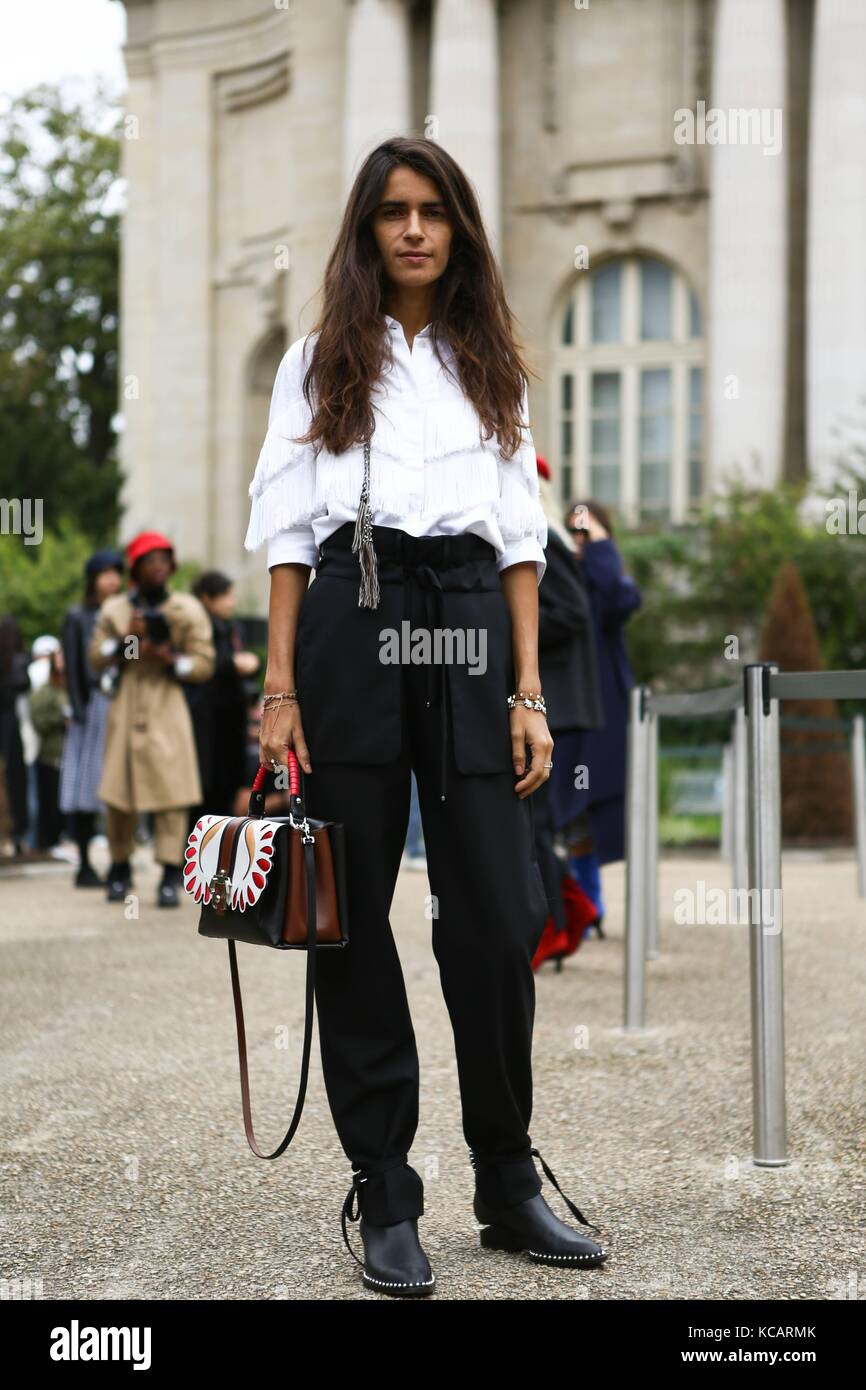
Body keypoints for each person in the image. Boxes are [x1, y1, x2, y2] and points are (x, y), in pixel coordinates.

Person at [247, 135, 608, 1295]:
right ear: (365, 231)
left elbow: (518, 544)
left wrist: (526, 693)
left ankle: (503, 1180)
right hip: (352, 621)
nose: (412, 229)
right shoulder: (315, 362)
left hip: (461, 625)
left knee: (498, 916)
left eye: (433, 211)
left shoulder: (487, 362)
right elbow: (288, 539)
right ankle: (387, 1191)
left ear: (457, 229)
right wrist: (280, 687)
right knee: (346, 919)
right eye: (392, 212)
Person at [87, 532, 216, 909]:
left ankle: (169, 873)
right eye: (148, 560)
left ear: (172, 566)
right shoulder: (115, 610)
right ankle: (119, 866)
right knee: (118, 791)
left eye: (163, 559)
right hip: (128, 701)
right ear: (136, 568)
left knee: (172, 791)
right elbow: (96, 656)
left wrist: (171, 659)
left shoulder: (188, 609)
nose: (157, 566)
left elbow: (205, 663)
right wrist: (129, 641)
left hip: (166, 701)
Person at [550, 500, 642, 929]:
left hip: (605, 714)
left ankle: (587, 901)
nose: (581, 540)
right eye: (576, 532)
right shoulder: (562, 577)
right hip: (569, 711)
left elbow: (622, 600)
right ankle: (576, 903)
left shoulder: (606, 582)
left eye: (589, 532)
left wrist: (600, 542)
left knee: (596, 805)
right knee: (566, 806)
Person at [530, 456, 604, 971]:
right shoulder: (546, 536)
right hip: (555, 705)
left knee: (537, 824)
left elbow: (572, 614)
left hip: (556, 707)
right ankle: (567, 911)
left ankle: (561, 918)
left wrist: (510, 625)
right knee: (538, 823)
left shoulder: (543, 538)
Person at [58, 549, 125, 887]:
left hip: (123, 704)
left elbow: (132, 657)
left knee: (120, 786)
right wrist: (79, 710)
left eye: (116, 572)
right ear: (93, 578)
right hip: (92, 705)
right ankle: (84, 863)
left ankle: (119, 863)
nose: (112, 579)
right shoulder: (78, 616)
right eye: (105, 573)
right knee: (84, 786)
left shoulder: (127, 613)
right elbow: (72, 667)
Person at [184, 570, 260, 835]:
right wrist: (232, 664)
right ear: (207, 597)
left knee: (228, 786)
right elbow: (198, 666)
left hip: (230, 717)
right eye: (225, 596)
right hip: (205, 717)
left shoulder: (232, 627)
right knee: (204, 786)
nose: (231, 602)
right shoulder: (196, 625)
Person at [28, 638, 69, 852]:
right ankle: (49, 841)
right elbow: (38, 719)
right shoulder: (45, 691)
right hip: (51, 754)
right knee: (49, 803)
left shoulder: (70, 688)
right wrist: (60, 720)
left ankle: (64, 839)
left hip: (70, 755)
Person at [0, 614, 31, 858]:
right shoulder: (18, 661)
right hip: (10, 725)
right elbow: (23, 684)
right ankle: (16, 834)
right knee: (13, 780)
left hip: (9, 724)